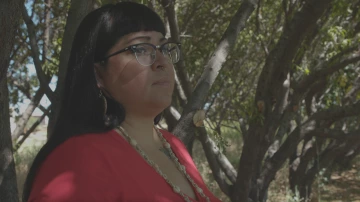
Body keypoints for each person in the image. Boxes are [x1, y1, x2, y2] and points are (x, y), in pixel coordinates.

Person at [23, 2, 222, 202]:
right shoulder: (77, 159)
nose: (162, 61)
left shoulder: (173, 145)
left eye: (164, 48)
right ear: (98, 74)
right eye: (140, 49)